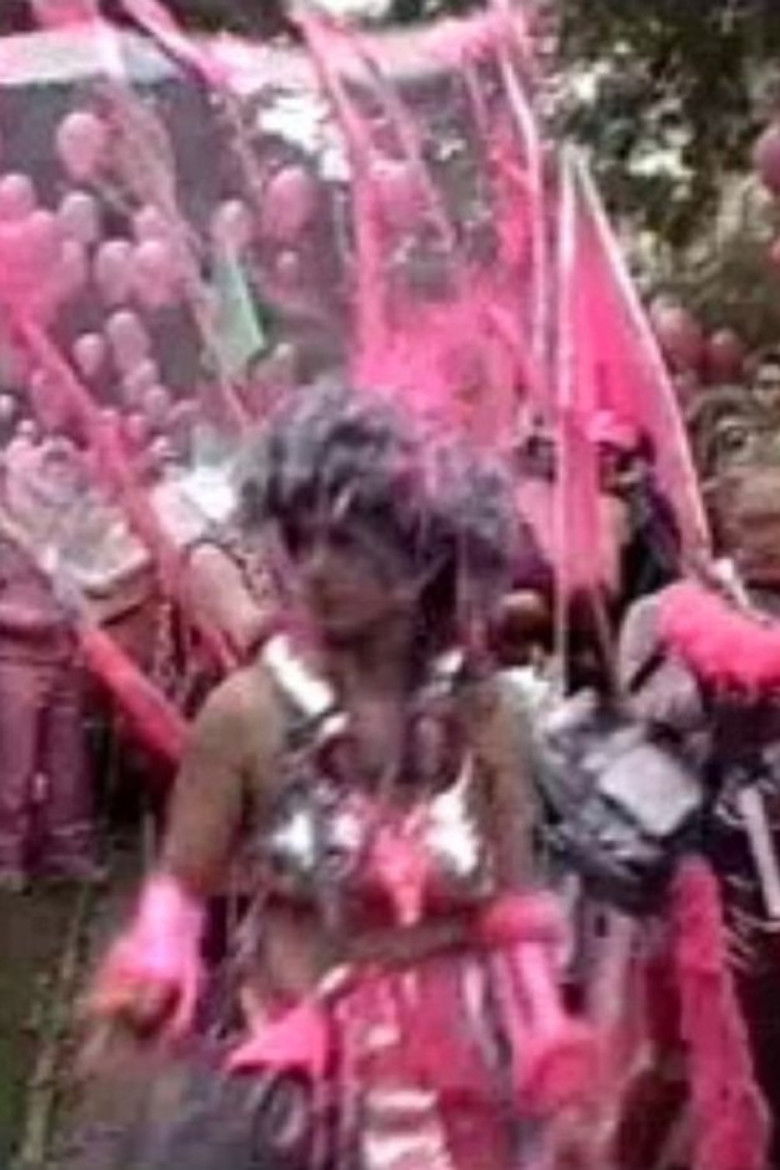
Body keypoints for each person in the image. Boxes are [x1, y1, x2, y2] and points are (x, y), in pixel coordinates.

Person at [81, 385, 593, 1170]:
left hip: (463, 1099)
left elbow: (515, 910)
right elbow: (179, 898)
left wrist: (550, 1060)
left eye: (350, 544)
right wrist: (147, 990)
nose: (316, 570)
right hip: (299, 1096)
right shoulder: (246, 714)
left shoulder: (486, 713)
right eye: (303, 540)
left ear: (424, 556)